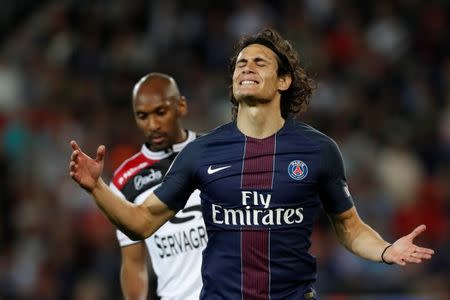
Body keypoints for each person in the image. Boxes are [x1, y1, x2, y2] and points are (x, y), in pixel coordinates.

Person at [69, 29, 434, 299]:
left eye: (260, 62)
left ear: (284, 80)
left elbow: (350, 229)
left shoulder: (318, 150)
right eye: (241, 63)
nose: (247, 67)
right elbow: (141, 222)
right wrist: (96, 188)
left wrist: (386, 251)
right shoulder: (201, 152)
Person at [109, 73, 205, 300]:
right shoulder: (125, 181)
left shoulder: (214, 151)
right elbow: (134, 264)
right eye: (142, 116)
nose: (152, 125)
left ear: (181, 106)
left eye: (161, 112)